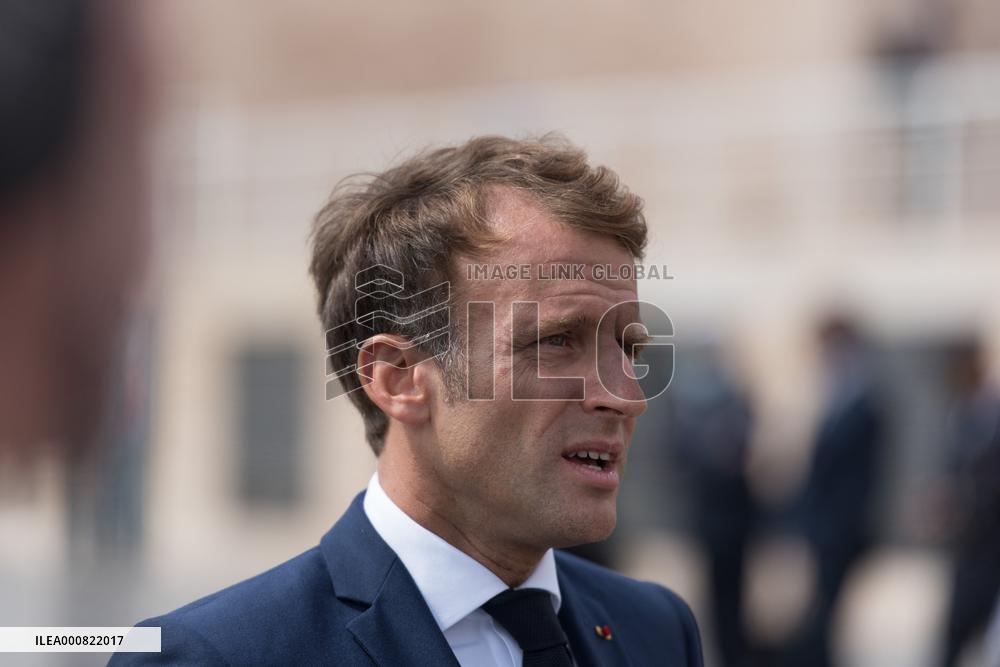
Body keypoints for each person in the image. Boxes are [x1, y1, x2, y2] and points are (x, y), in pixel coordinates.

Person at [110, 135, 703, 665]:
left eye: (628, 348)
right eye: (556, 341)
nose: (626, 397)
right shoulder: (211, 657)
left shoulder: (656, 629)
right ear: (397, 379)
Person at [789, 316, 886, 667]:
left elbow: (864, 477)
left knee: (825, 614)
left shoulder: (862, 402)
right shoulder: (836, 399)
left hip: (841, 530)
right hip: (824, 528)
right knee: (822, 612)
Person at [936, 338, 1000, 667]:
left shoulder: (991, 416)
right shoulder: (960, 415)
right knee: (951, 640)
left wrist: (967, 500)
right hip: (968, 548)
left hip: (991, 549)